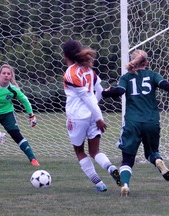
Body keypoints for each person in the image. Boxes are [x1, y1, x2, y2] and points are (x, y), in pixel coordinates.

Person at [102, 49, 169, 196]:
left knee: (127, 158)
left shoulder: (126, 77)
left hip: (133, 122)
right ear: (147, 62)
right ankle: (158, 160)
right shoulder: (153, 75)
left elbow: (119, 92)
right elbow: (165, 86)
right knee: (151, 152)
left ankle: (125, 184)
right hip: (152, 121)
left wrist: (105, 93)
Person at [62, 40, 120, 192]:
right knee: (95, 152)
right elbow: (99, 92)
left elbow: (87, 97)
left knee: (80, 152)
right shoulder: (89, 70)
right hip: (92, 117)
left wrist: (99, 117)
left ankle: (99, 184)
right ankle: (112, 168)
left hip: (77, 117)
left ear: (64, 55)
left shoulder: (70, 73)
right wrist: (96, 116)